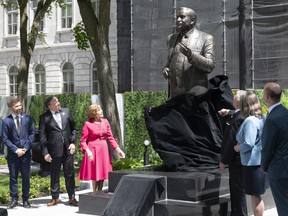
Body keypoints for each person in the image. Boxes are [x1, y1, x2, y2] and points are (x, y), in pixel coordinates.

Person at [162, 7, 215, 98]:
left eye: (182, 17)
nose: (178, 20)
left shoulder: (206, 38)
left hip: (195, 93)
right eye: (177, 17)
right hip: (175, 94)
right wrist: (166, 68)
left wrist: (192, 56)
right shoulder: (171, 38)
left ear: (192, 20)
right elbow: (170, 62)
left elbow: (210, 66)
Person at [39, 96, 78, 207]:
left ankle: (72, 197)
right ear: (49, 106)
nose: (58, 103)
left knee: (69, 173)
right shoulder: (44, 117)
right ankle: (55, 198)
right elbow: (42, 136)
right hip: (54, 151)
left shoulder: (66, 112)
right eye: (55, 102)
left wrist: (73, 142)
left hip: (68, 149)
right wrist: (45, 152)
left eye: (57, 101)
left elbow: (74, 129)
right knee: (55, 174)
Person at [78, 104, 125, 192]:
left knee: (102, 172)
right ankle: (94, 192)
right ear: (94, 113)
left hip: (103, 149)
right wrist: (88, 151)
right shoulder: (87, 124)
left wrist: (118, 149)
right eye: (99, 110)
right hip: (93, 150)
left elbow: (110, 137)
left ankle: (100, 192)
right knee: (95, 173)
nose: (101, 111)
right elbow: (83, 141)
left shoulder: (105, 122)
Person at [235, 91, 266, 216]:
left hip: (252, 164)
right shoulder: (262, 118)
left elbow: (248, 143)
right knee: (256, 195)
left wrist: (238, 148)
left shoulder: (250, 121)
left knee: (255, 196)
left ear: (244, 105)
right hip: (259, 162)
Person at [218, 90, 248, 216]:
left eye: (235, 98)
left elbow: (231, 142)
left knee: (237, 192)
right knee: (238, 191)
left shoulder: (237, 119)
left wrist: (223, 161)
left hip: (236, 161)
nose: (233, 99)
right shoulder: (242, 115)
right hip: (240, 161)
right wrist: (229, 112)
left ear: (238, 102)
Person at [2, 98, 35, 209]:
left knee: (26, 177)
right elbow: (5, 139)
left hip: (26, 154)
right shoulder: (6, 121)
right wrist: (16, 150)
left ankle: (26, 200)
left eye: (20, 105)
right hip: (13, 155)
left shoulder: (28, 118)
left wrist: (25, 149)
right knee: (13, 177)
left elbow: (31, 134)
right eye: (17, 106)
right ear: (11, 107)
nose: (19, 108)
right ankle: (14, 199)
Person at [261, 82, 288, 216]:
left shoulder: (272, 119)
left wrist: (264, 167)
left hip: (278, 170)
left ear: (267, 96)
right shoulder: (285, 113)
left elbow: (267, 148)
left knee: (283, 207)